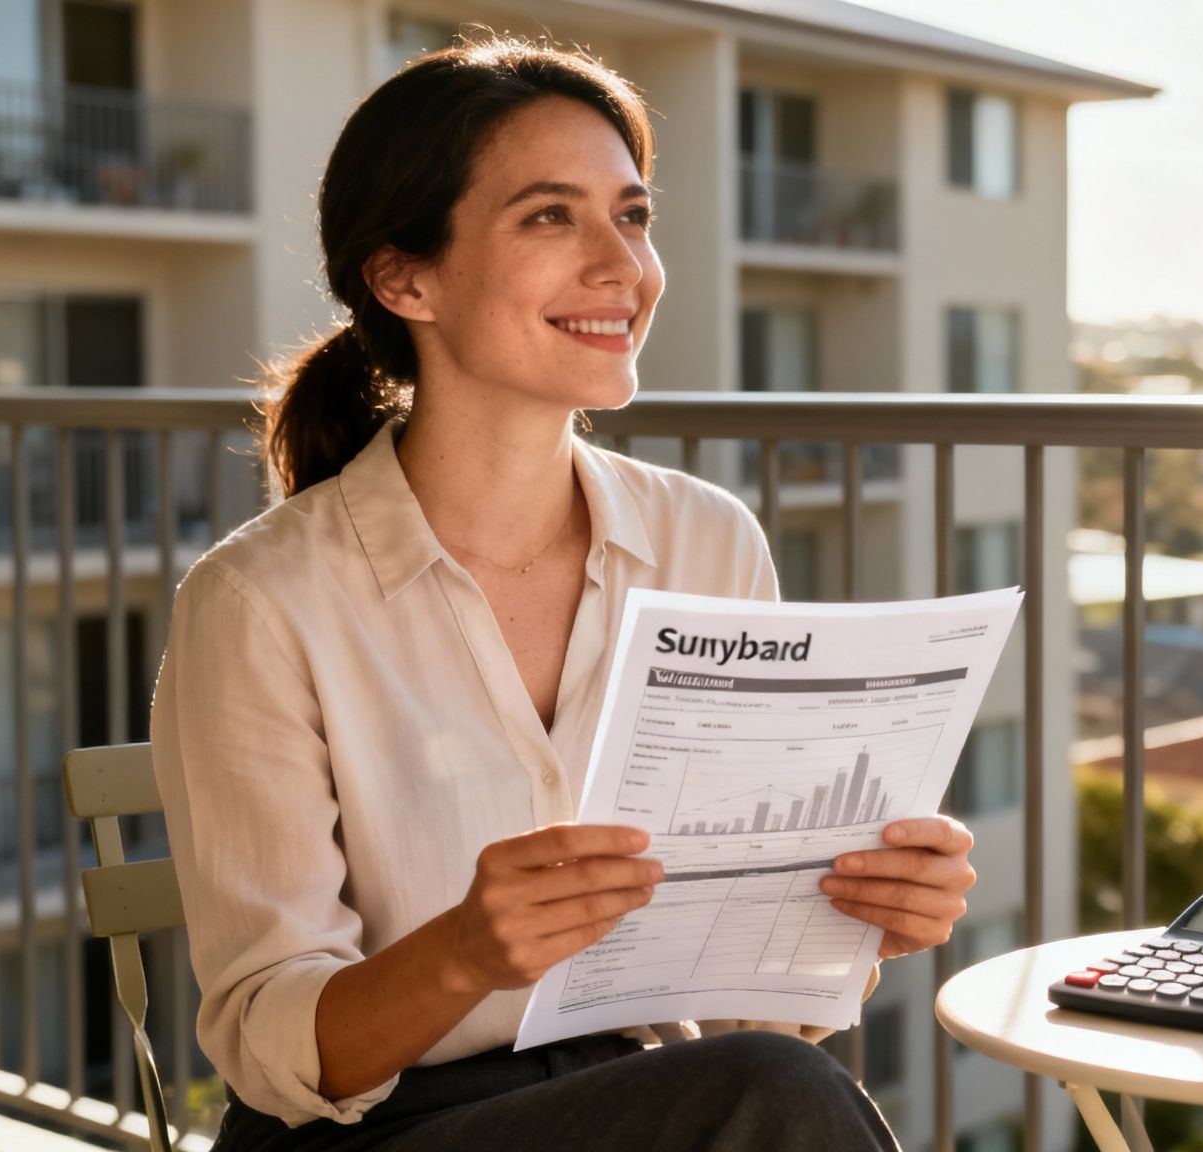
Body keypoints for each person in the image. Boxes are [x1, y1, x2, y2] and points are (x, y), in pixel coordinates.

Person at [150, 32, 973, 1151]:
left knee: (770, 1082)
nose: (621, 266)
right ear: (405, 277)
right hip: (366, 1131)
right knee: (769, 1096)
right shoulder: (258, 602)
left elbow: (754, 1019)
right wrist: (463, 955)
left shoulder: (705, 540)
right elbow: (266, 1047)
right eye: (549, 216)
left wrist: (854, 929)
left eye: (631, 215)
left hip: (642, 1098)